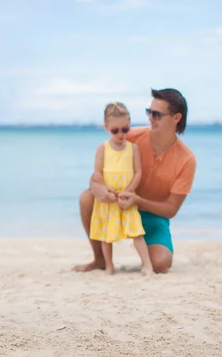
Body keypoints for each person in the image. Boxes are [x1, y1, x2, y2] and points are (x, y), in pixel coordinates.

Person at [74, 88, 196, 274]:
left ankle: (144, 247)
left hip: (152, 216)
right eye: (149, 112)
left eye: (156, 114)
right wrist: (97, 187)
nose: (150, 118)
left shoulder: (187, 160)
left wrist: (137, 201)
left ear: (176, 118)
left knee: (160, 264)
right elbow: (99, 171)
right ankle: (100, 259)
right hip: (115, 205)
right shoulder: (130, 137)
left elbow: (171, 209)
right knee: (86, 197)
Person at [90, 102, 153, 276]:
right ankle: (109, 266)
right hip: (109, 198)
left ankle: (147, 264)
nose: (120, 134)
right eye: (115, 130)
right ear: (106, 128)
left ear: (129, 125)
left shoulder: (133, 148)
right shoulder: (103, 148)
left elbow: (138, 172)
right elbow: (97, 172)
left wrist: (129, 190)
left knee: (136, 232)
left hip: (127, 197)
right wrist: (107, 190)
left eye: (125, 129)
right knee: (106, 235)